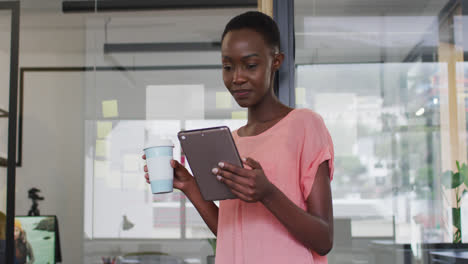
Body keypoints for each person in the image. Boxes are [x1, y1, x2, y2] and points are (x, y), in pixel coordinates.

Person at [143, 11, 334, 264]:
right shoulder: (230, 142)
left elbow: (324, 239)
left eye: (250, 65)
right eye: (228, 67)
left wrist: (268, 194)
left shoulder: (305, 125)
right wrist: (189, 185)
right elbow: (230, 233)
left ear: (276, 61)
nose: (237, 78)